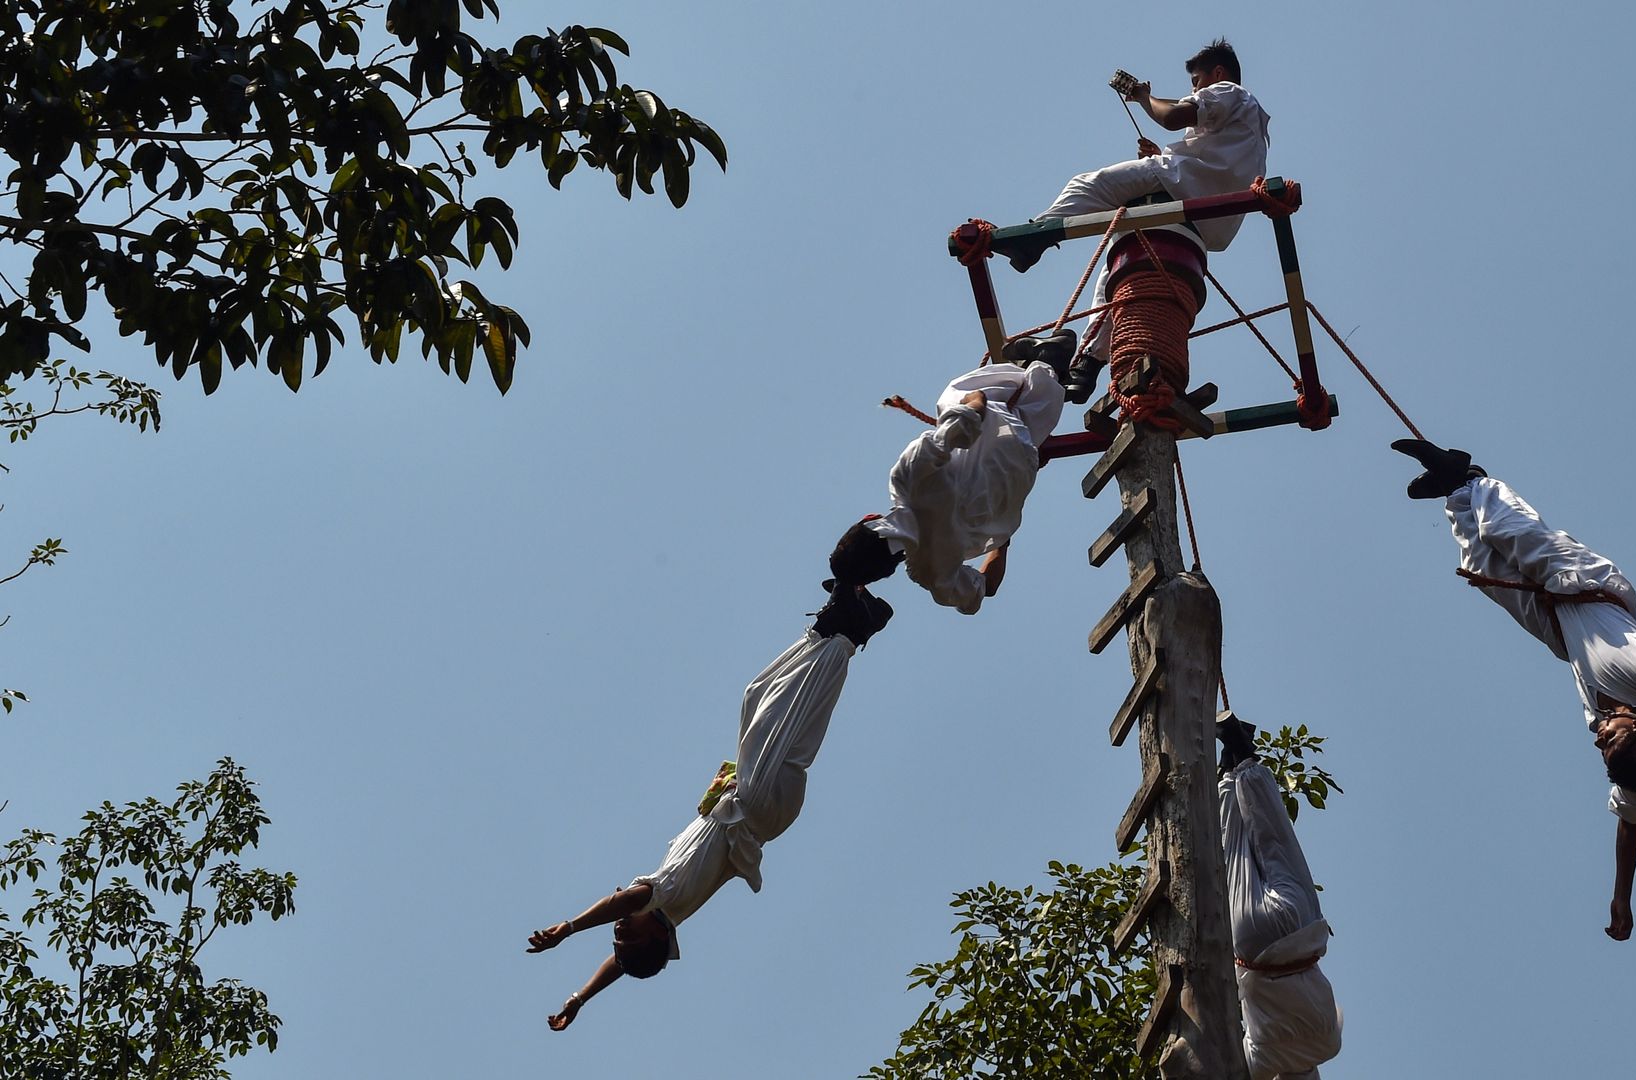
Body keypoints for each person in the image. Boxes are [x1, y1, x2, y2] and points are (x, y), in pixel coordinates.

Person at [1393, 438, 1636, 941]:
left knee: (1481, 567)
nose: (1600, 733)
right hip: (1589, 585)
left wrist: (1621, 899)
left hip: (1560, 629)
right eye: (1612, 734)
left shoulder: (1629, 760)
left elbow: (1630, 825)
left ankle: (1453, 488)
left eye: (1601, 744)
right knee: (1506, 531)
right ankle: (1473, 476)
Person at [524, 584, 891, 1030]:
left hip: (758, 809)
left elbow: (622, 963)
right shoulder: (662, 896)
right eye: (626, 937)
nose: (617, 933)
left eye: (615, 941)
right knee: (780, 715)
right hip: (756, 808)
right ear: (657, 934)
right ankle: (853, 631)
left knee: (757, 697)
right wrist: (568, 928)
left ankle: (833, 625)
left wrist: (580, 997)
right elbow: (620, 906)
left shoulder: (669, 909)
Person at [1002, 38, 1271, 402]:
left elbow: (1173, 117)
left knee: (1090, 185)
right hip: (1205, 220)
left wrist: (1145, 98)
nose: (1194, 89)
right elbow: (1212, 162)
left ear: (1217, 73)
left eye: (1196, 81)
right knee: (1120, 270)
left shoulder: (1228, 91)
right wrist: (1162, 155)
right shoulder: (1248, 126)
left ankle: (1036, 236)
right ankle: (1086, 367)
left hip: (1177, 185)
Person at [827, 337, 1071, 613]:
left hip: (1020, 471)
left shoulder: (929, 571)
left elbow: (986, 587)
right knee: (952, 397)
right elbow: (958, 428)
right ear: (868, 519)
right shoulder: (906, 483)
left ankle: (1054, 375)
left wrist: (1002, 540)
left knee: (1022, 428)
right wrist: (974, 403)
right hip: (997, 436)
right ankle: (1041, 363)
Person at [1216, 718, 1342, 1080]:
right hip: (1253, 944)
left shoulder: (1331, 1044)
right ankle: (1226, 774)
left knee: (1275, 839)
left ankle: (1242, 754)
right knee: (1234, 853)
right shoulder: (1260, 1067)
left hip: (1301, 935)